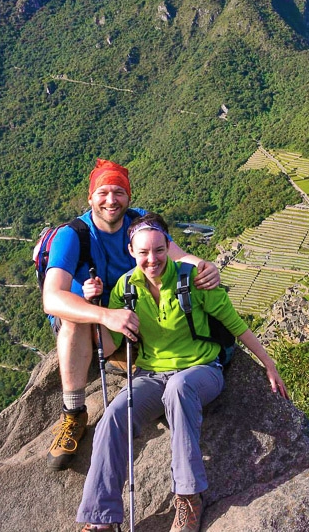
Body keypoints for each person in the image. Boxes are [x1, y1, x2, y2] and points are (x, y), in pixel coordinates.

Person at [76, 213, 288, 532]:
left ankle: (188, 496)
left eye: (159, 250)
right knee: (113, 416)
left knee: (179, 387)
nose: (152, 259)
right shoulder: (125, 288)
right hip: (151, 374)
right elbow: (109, 343)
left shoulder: (193, 278)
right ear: (131, 252)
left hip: (202, 370)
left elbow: (234, 323)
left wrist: (268, 363)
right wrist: (99, 311)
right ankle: (100, 518)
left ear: (167, 247)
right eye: (144, 252)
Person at [43, 159, 221, 470]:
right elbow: (52, 298)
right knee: (73, 318)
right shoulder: (73, 236)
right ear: (90, 197)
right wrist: (104, 315)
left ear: (129, 196)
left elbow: (179, 258)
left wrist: (205, 268)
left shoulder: (140, 224)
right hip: (97, 326)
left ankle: (148, 366)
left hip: (137, 321)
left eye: (118, 192)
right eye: (103, 192)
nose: (111, 200)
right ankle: (73, 414)